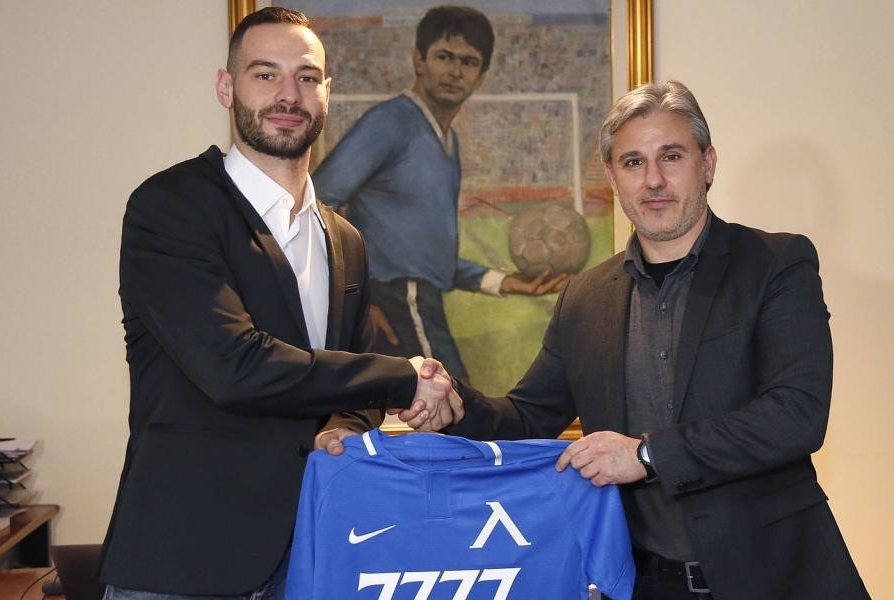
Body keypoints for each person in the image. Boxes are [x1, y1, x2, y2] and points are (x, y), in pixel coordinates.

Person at [419, 80, 870, 599]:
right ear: (613, 177)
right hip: (646, 585)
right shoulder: (584, 297)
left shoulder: (776, 264)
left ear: (707, 164)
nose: (653, 179)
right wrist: (453, 404)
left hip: (779, 579)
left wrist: (648, 455)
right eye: (633, 162)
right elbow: (525, 418)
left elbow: (796, 415)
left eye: (671, 156)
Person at [98, 7, 459, 600]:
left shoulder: (346, 240)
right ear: (226, 87)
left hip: (314, 557)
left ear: (326, 93)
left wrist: (340, 429)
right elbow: (234, 367)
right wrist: (405, 377)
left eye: (306, 77)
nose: (288, 94)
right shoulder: (171, 207)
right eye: (265, 74)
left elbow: (353, 391)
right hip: (183, 564)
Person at [311, 5, 565, 381]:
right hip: (396, 300)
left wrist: (502, 282)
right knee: (449, 401)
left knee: (446, 404)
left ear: (481, 76)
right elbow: (315, 202)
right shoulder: (389, 122)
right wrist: (355, 302)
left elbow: (426, 256)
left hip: (419, 301)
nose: (455, 71)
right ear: (419, 60)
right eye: (444, 56)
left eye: (469, 62)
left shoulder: (450, 142)